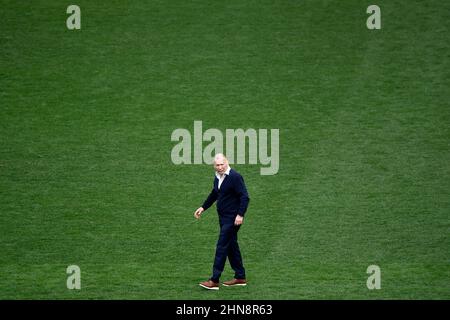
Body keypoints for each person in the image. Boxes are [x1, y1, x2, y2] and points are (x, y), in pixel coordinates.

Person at [194, 153, 250, 290]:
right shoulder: (218, 177)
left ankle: (214, 280)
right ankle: (240, 276)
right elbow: (215, 193)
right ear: (214, 166)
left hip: (232, 219)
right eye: (217, 165)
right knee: (231, 245)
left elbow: (245, 197)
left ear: (227, 163)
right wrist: (203, 207)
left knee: (222, 245)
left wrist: (240, 215)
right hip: (223, 217)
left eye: (222, 164)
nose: (219, 167)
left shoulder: (235, 177)